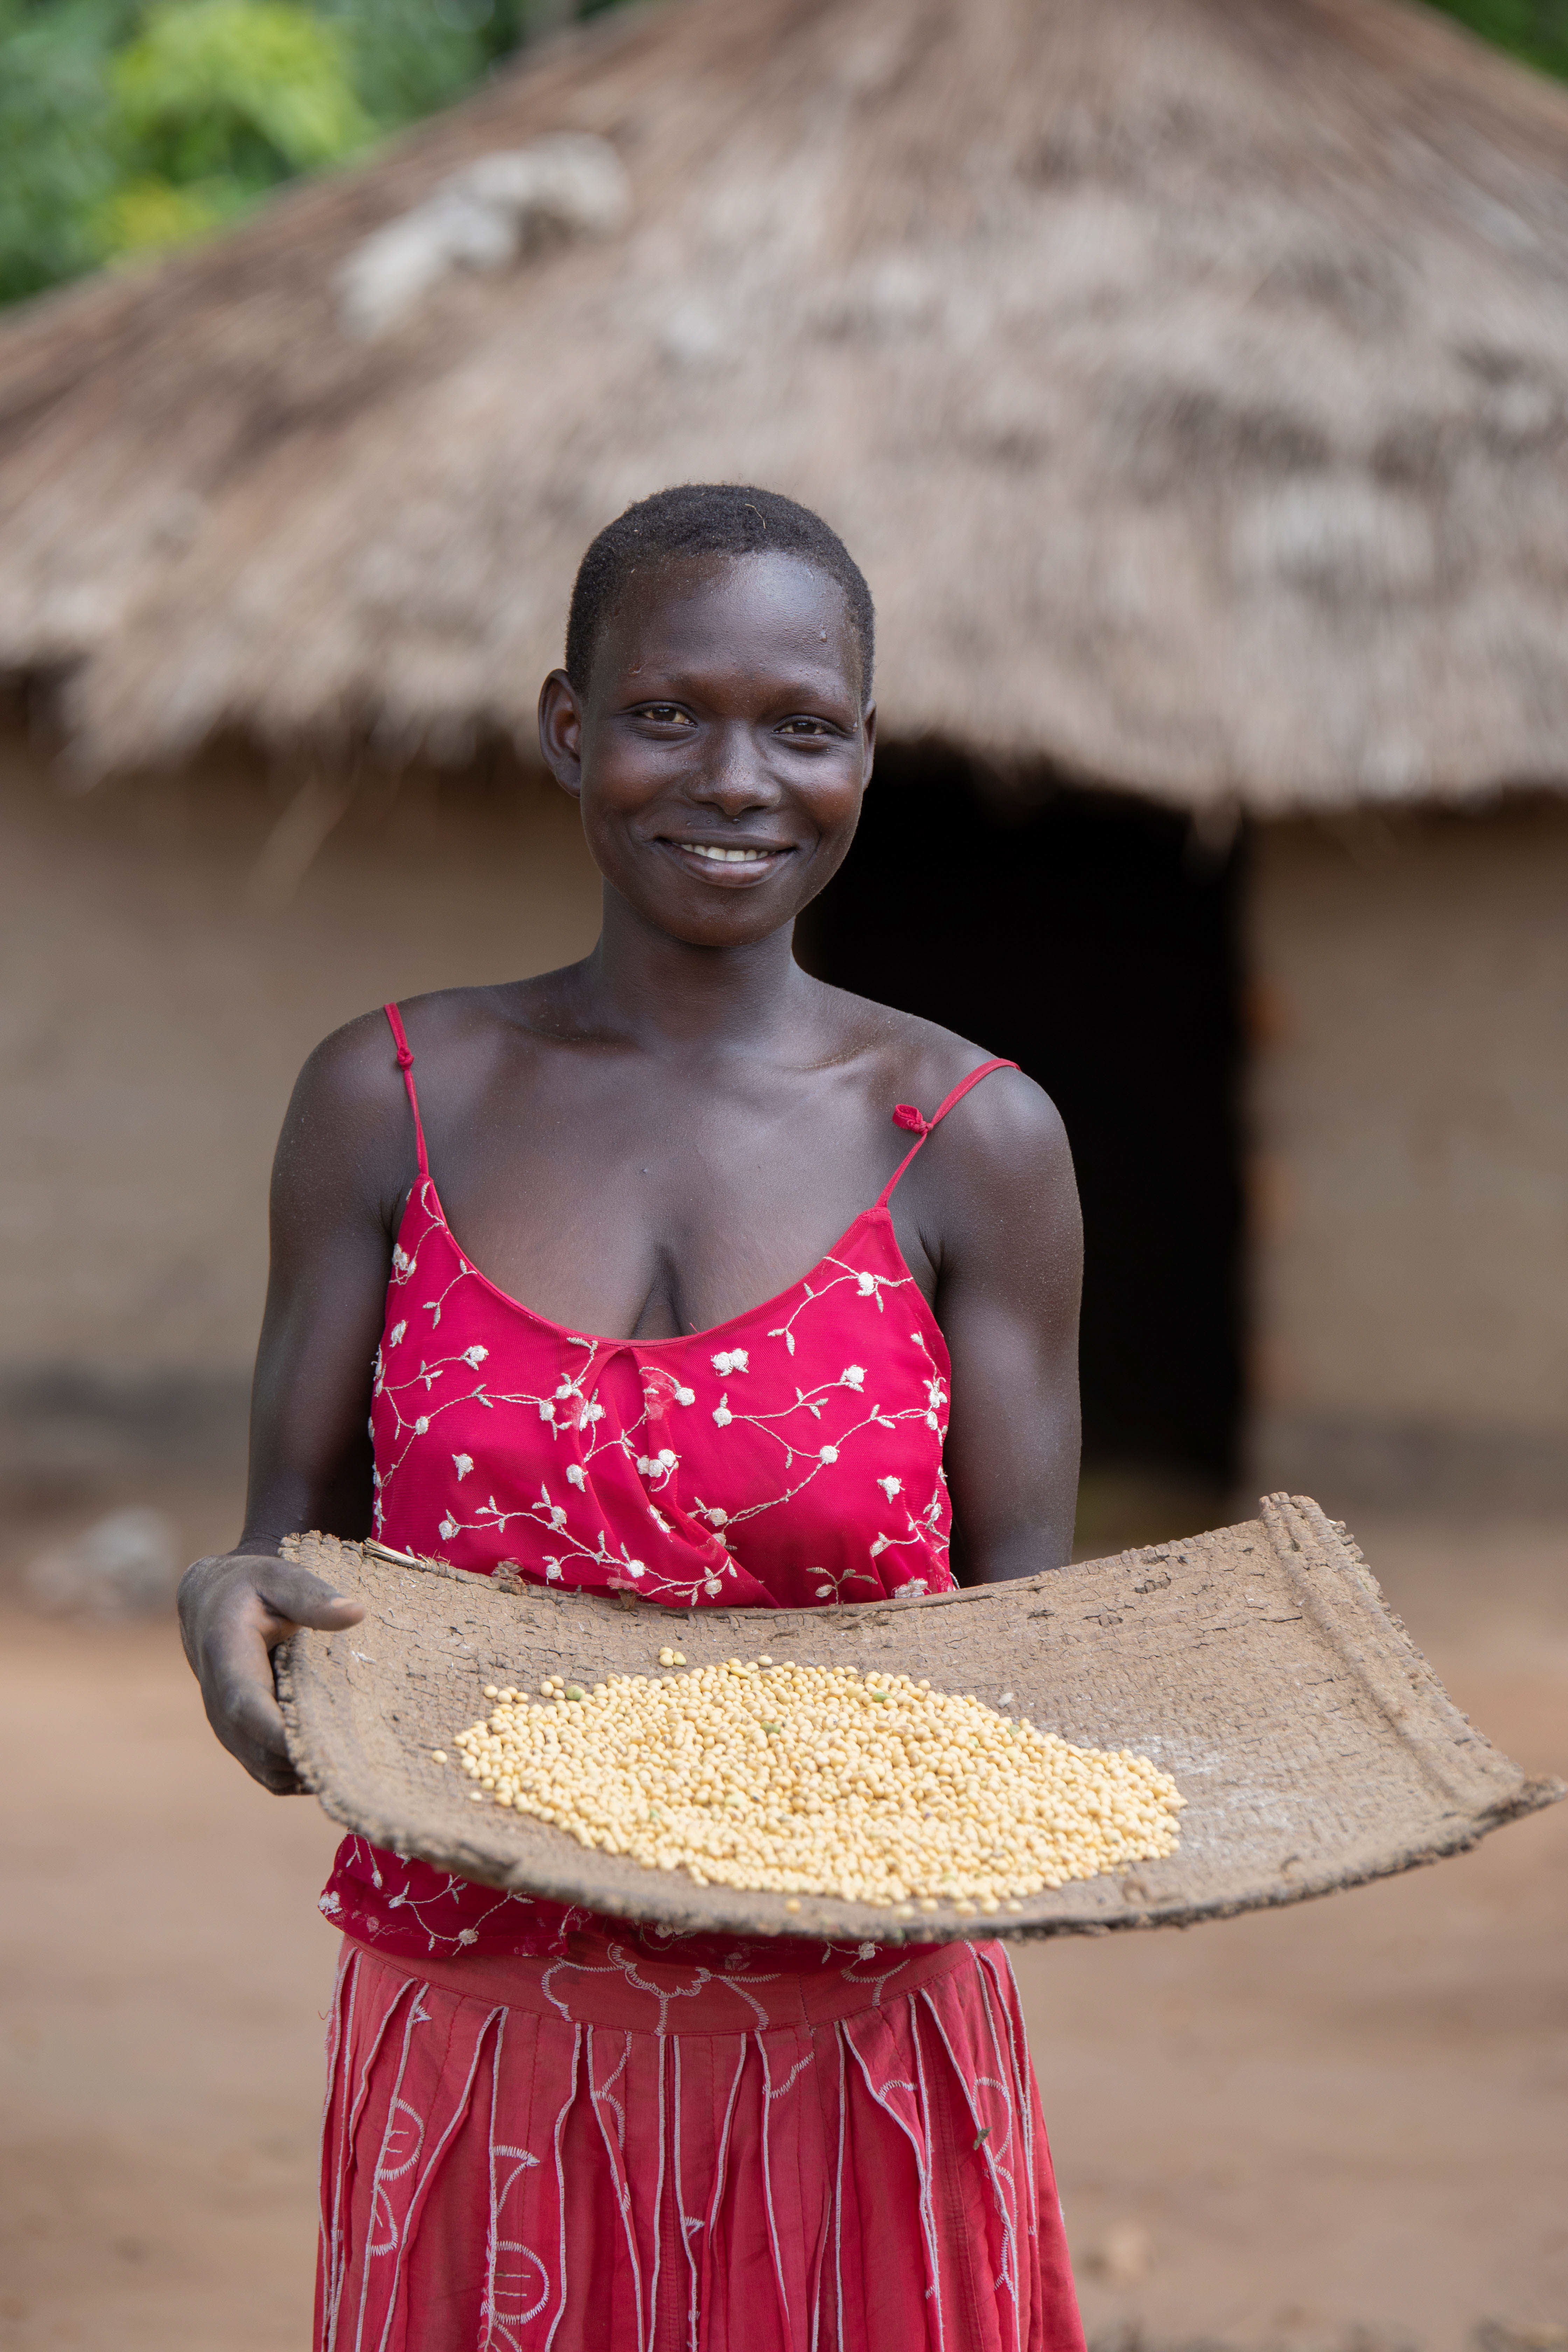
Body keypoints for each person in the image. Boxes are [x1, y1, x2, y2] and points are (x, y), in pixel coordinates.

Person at [179, 485, 1086, 2351]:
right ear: (567, 727)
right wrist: (236, 1628)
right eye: (671, 712)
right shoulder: (392, 1099)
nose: (737, 779)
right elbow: (289, 1535)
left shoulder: (975, 1137)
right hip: (482, 2024)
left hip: (854, 2037)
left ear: (865, 755)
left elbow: (1026, 1654)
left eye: (802, 726)